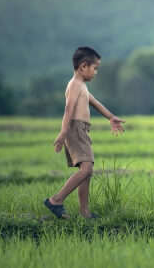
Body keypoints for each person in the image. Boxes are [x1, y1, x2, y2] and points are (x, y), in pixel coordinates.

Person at [44, 46, 125, 219]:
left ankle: (84, 212)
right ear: (83, 67)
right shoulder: (74, 85)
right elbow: (68, 108)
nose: (96, 72)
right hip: (75, 129)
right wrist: (63, 132)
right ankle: (56, 200)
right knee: (86, 169)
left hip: (81, 130)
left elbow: (95, 103)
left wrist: (111, 117)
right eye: (94, 68)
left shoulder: (81, 86)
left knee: (86, 171)